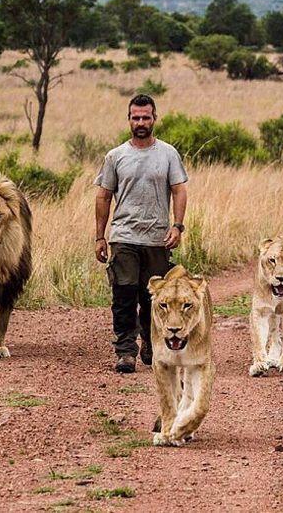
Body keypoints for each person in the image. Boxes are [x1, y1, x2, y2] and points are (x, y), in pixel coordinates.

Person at [94, 94, 189, 374]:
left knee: (153, 299)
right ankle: (125, 351)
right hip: (123, 237)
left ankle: (151, 343)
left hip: (157, 238)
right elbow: (103, 197)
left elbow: (179, 190)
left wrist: (177, 225)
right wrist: (100, 236)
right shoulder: (116, 156)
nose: (141, 123)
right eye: (136, 118)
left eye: (146, 117)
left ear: (155, 118)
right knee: (123, 296)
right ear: (129, 120)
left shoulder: (168, 154)